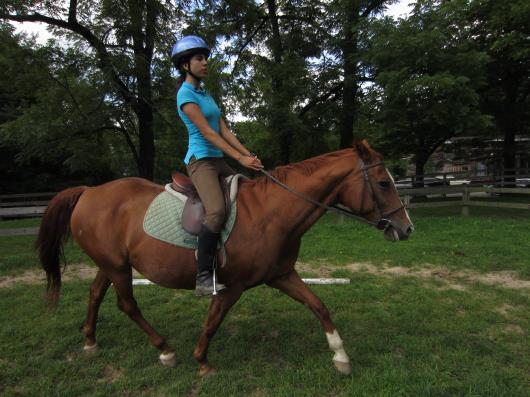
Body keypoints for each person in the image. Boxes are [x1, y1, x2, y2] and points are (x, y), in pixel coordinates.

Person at [171, 35, 263, 296]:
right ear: (185, 65)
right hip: (201, 162)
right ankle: (202, 277)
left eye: (205, 58)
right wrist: (240, 159)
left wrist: (249, 155)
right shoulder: (185, 95)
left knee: (248, 198)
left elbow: (224, 130)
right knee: (216, 212)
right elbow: (208, 134)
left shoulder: (205, 94)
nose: (205, 63)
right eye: (199, 58)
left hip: (219, 160)